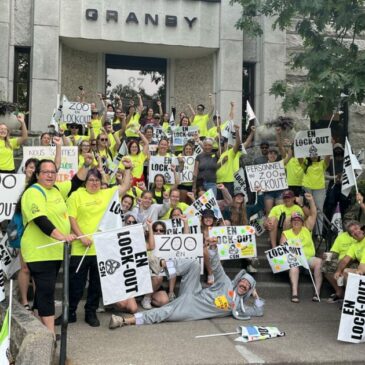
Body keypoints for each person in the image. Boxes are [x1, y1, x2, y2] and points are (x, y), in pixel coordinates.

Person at [109, 237, 264, 329]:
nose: (244, 285)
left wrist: (255, 296)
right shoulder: (226, 284)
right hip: (194, 292)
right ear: (238, 282)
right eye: (243, 281)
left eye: (248, 285)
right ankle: (163, 264)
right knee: (194, 265)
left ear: (249, 290)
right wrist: (212, 247)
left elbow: (258, 311)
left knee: (163, 314)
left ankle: (124, 321)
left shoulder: (240, 307)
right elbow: (216, 265)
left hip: (191, 309)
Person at [19, 156, 91, 337]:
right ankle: (51, 335)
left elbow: (75, 182)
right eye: (45, 172)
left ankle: (40, 329)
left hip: (55, 251)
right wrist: (63, 236)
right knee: (46, 292)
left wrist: (87, 164)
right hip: (39, 252)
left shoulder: (56, 189)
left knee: (44, 290)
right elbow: (41, 220)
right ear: (37, 175)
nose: (50, 175)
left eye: (53, 172)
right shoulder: (34, 192)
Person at [56, 160, 132, 327]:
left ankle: (91, 312)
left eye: (97, 180)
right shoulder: (77, 195)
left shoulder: (106, 194)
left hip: (102, 249)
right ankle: (71, 312)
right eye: (91, 180)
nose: (94, 183)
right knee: (76, 284)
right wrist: (81, 236)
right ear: (85, 181)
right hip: (80, 247)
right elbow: (72, 218)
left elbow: (125, 186)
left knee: (96, 284)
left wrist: (127, 169)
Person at [279, 193, 323, 303]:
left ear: (302, 221)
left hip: (308, 259)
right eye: (294, 220)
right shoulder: (286, 233)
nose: (296, 221)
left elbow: (313, 214)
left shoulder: (307, 229)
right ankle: (295, 293)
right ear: (291, 222)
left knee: (319, 262)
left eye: (298, 220)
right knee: (294, 267)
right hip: (294, 260)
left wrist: (311, 201)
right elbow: (282, 249)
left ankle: (317, 292)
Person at [321, 227, 357, 303]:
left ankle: (350, 298)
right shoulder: (342, 236)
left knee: (347, 269)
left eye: (356, 228)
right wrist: (325, 256)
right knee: (326, 265)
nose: (354, 231)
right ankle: (339, 292)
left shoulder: (360, 239)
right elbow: (334, 252)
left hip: (356, 261)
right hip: (342, 259)